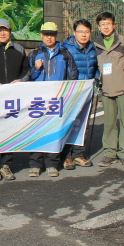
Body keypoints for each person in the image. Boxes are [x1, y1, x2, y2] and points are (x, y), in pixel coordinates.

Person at [22, 21, 78, 178]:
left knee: (54, 131)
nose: (49, 37)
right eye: (46, 34)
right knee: (37, 131)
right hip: (38, 101)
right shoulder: (34, 54)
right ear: (41, 35)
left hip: (56, 100)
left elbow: (73, 75)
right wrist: (36, 68)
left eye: (52, 34)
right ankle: (35, 164)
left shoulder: (65, 54)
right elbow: (27, 77)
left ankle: (52, 164)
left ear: (56, 36)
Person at [93, 12, 124, 169]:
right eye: (102, 24)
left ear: (114, 25)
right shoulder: (96, 45)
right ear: (98, 27)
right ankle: (109, 153)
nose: (106, 27)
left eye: (108, 23)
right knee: (109, 122)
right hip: (107, 90)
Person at [0, 18, 29, 181]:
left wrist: (22, 81)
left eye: (5, 30)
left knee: (10, 130)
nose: (2, 33)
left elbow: (27, 70)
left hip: (12, 99)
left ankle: (6, 164)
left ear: (10, 32)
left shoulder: (19, 49)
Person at [61, 19, 99, 169]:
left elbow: (96, 67)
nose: (84, 35)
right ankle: (66, 156)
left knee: (83, 124)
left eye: (87, 32)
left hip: (87, 92)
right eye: (81, 31)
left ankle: (78, 154)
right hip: (71, 92)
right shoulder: (66, 49)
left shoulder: (93, 49)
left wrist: (97, 77)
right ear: (74, 33)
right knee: (68, 123)